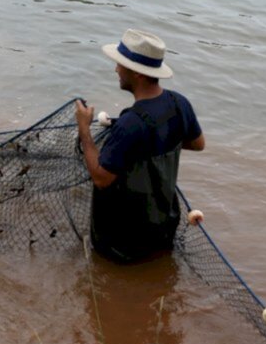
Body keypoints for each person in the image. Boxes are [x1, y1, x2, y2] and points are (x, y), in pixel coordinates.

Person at [75, 29, 205, 263]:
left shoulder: (130, 124)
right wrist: (157, 142)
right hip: (163, 228)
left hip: (121, 242)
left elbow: (101, 178)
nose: (116, 69)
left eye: (120, 65)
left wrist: (84, 129)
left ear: (137, 74)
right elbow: (198, 144)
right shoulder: (179, 103)